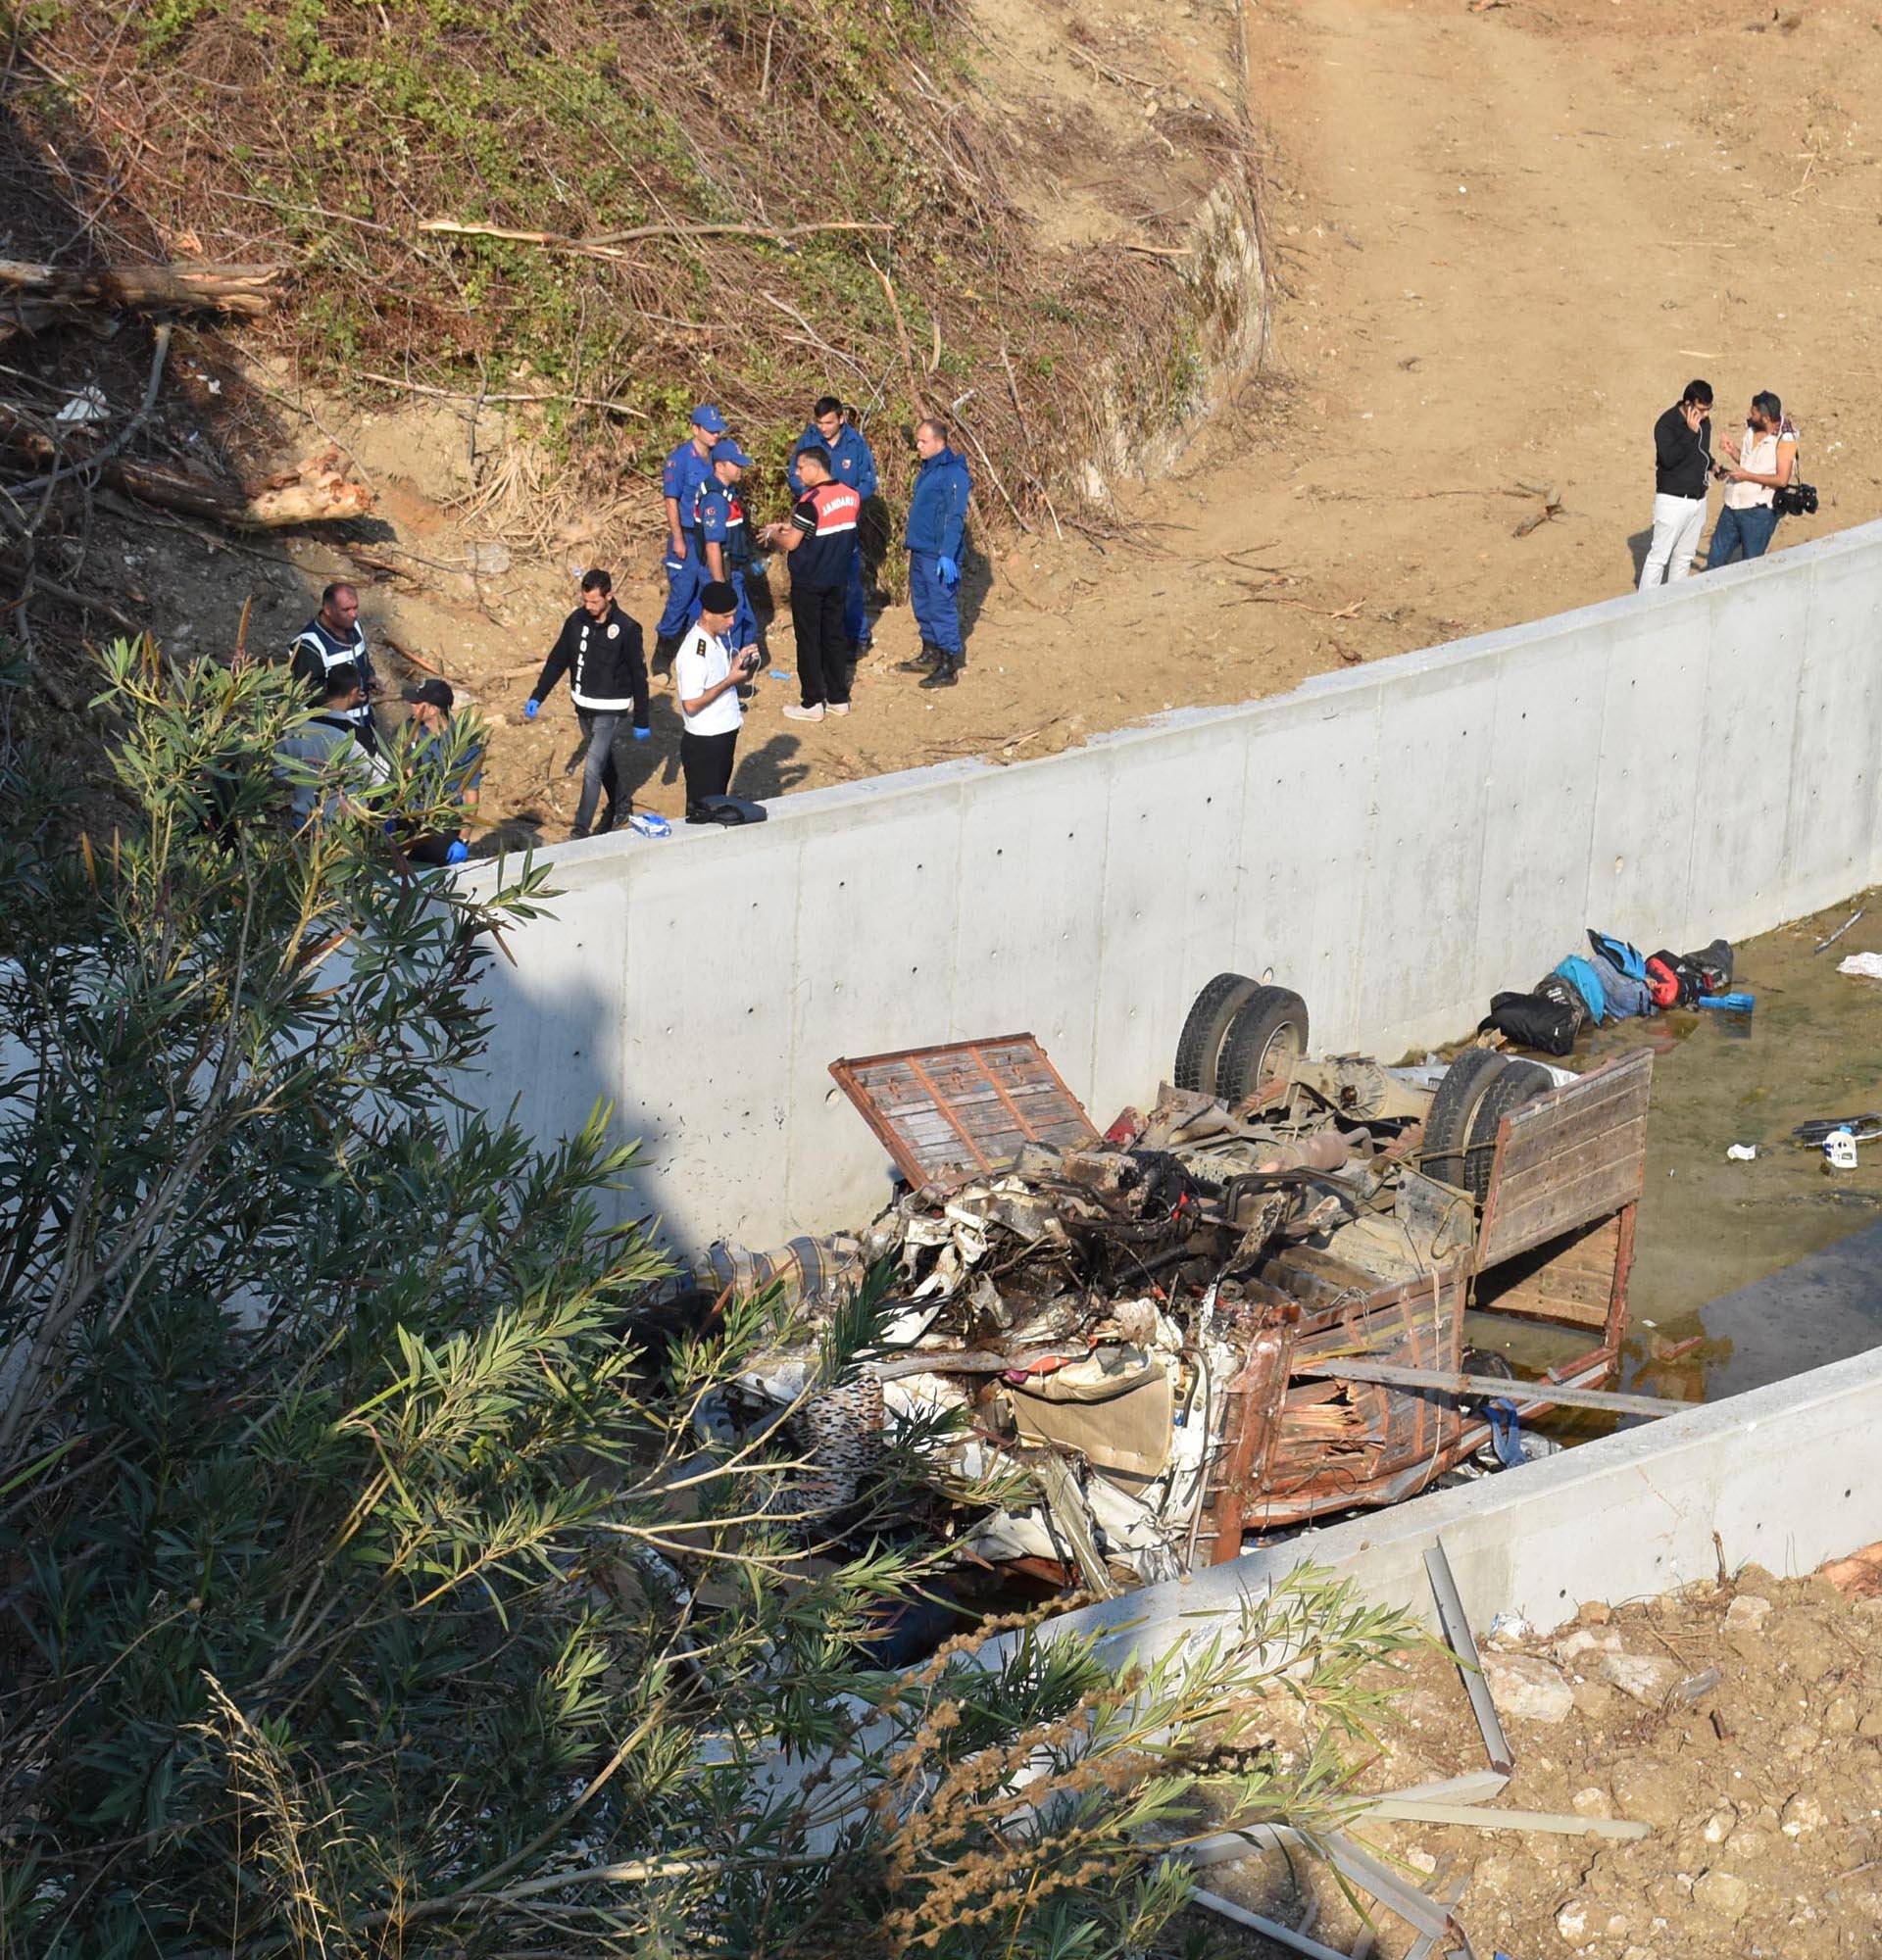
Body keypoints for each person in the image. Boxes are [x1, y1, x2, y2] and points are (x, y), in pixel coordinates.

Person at [525, 569, 652, 839]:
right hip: (583, 707)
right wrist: (538, 695)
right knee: (603, 762)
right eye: (586, 601)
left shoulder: (627, 629)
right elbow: (558, 660)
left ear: (609, 595)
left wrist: (642, 718)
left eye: (594, 602)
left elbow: (639, 676)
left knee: (592, 766)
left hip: (611, 709)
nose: (589, 606)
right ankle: (620, 804)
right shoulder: (576, 621)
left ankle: (580, 828)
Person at [761, 445, 859, 723]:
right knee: (834, 636)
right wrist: (791, 526)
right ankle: (839, 698)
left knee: (808, 639)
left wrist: (773, 534)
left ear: (815, 467)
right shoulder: (851, 496)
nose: (797, 472)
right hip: (838, 578)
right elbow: (826, 529)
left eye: (801, 467)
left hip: (810, 579)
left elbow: (793, 541)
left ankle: (813, 701)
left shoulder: (809, 501)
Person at [788, 395, 878, 658]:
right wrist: (810, 496)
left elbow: (867, 482)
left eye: (828, 422)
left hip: (845, 525)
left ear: (841, 419)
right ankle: (827, 638)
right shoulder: (810, 440)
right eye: (819, 422)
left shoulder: (855, 444)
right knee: (817, 580)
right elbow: (794, 473)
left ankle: (857, 637)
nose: (823, 428)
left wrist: (845, 502)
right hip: (815, 523)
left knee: (849, 580)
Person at [674, 580, 759, 820]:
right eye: (726, 616)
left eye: (733, 615)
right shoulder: (694, 652)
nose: (732, 622)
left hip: (721, 735)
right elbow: (690, 704)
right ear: (707, 614)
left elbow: (716, 679)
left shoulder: (715, 640)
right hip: (706, 744)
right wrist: (730, 680)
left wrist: (735, 665)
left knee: (717, 803)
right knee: (703, 811)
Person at [654, 405, 729, 669]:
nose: (715, 435)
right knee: (681, 596)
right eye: (710, 431)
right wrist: (677, 539)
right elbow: (671, 501)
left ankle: (695, 656)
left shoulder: (718, 458)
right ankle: (662, 657)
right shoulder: (680, 460)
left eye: (718, 430)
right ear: (695, 429)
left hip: (709, 537)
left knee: (704, 597)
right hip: (686, 535)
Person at [900, 417, 973, 688]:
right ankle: (930, 653)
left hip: (938, 554)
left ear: (939, 443)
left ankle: (948, 663)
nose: (917, 445)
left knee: (941, 607)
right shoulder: (928, 469)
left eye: (923, 441)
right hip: (921, 549)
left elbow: (955, 517)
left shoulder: (953, 473)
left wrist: (947, 553)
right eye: (917, 440)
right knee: (923, 604)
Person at [273, 662, 386, 825]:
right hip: (340, 827)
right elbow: (380, 779)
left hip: (303, 822)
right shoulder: (355, 735)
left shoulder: (296, 725)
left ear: (326, 686)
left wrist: (308, 780)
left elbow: (280, 775)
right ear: (354, 692)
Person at [289, 582, 383, 753]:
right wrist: (347, 699)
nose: (353, 614)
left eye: (355, 608)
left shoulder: (355, 627)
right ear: (328, 610)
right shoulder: (309, 645)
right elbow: (305, 693)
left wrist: (369, 676)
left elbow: (363, 658)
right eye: (346, 610)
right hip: (333, 733)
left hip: (364, 722)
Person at [1709, 391, 1799, 569]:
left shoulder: (1785, 439)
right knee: (1714, 562)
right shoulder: (1752, 428)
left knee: (1751, 568)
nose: (1750, 416)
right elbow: (1749, 462)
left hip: (1758, 513)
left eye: (1754, 413)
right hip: (1732, 505)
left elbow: (1782, 479)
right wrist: (1732, 450)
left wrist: (1747, 477)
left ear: (1765, 418)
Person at [398, 677, 481, 865]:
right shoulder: (412, 731)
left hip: (444, 822)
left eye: (418, 703)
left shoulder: (464, 747)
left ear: (433, 710)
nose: (412, 706)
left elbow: (471, 796)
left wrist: (463, 840)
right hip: (413, 815)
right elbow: (407, 774)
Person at [1639, 380, 1714, 589]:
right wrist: (1690, 432)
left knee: (1684, 558)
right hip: (1673, 500)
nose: (1706, 415)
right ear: (1688, 404)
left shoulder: (1705, 423)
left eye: (1709, 409)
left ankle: (1673, 604)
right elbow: (1669, 459)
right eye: (1701, 409)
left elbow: (1700, 453)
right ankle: (1644, 608)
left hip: (1698, 500)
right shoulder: (1667, 424)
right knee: (1659, 558)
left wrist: (1714, 466)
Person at [695, 437, 762, 659]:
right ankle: (726, 677)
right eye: (736, 464)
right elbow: (712, 545)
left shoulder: (727, 491)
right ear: (720, 466)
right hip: (722, 571)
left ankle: (738, 668)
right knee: (729, 627)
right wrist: (720, 586)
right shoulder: (714, 499)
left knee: (746, 622)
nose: (741, 468)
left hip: (732, 571)